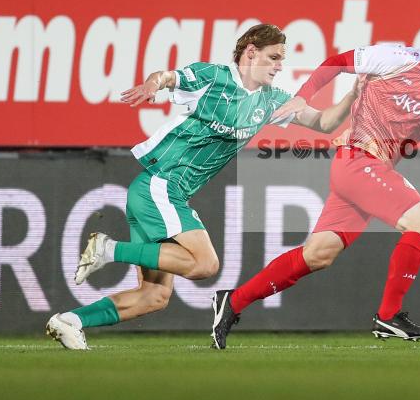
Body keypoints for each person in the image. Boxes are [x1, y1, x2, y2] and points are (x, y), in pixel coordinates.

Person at [45, 24, 360, 350]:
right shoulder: (213, 77)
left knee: (154, 297)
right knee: (205, 264)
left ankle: (71, 321)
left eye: (282, 58)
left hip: (163, 193)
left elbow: (323, 123)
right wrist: (153, 83)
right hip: (160, 185)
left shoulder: (270, 100)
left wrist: (353, 95)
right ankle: (108, 250)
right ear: (251, 52)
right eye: (274, 56)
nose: (280, 65)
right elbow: (167, 77)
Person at [209, 8, 420, 349]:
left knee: (318, 254)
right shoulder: (393, 57)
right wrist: (303, 96)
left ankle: (232, 303)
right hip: (359, 162)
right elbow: (336, 61)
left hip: (368, 170)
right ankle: (389, 316)